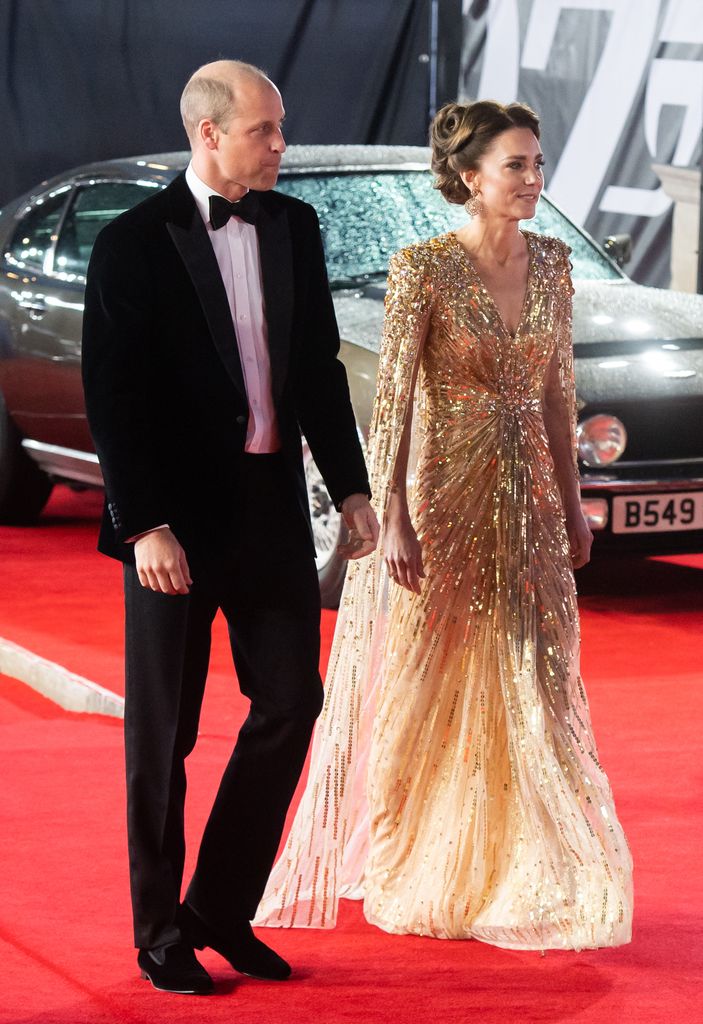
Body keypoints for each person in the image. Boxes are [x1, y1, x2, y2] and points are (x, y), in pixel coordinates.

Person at [255, 100, 633, 951]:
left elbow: (552, 393)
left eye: (538, 164)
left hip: (532, 500)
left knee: (533, 674)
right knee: (438, 675)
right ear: (470, 178)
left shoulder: (553, 263)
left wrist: (572, 501)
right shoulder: (421, 267)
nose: (534, 180)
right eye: (517, 166)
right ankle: (423, 854)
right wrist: (389, 516)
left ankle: (525, 860)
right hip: (445, 501)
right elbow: (389, 403)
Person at [81, 59, 378, 995]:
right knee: (163, 736)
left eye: (279, 129)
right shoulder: (132, 242)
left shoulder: (294, 224)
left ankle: (218, 907)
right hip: (171, 529)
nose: (281, 146)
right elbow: (112, 399)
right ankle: (159, 928)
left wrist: (354, 488)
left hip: (269, 514)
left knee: (292, 703)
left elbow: (320, 368)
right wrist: (143, 528)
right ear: (208, 133)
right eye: (265, 131)